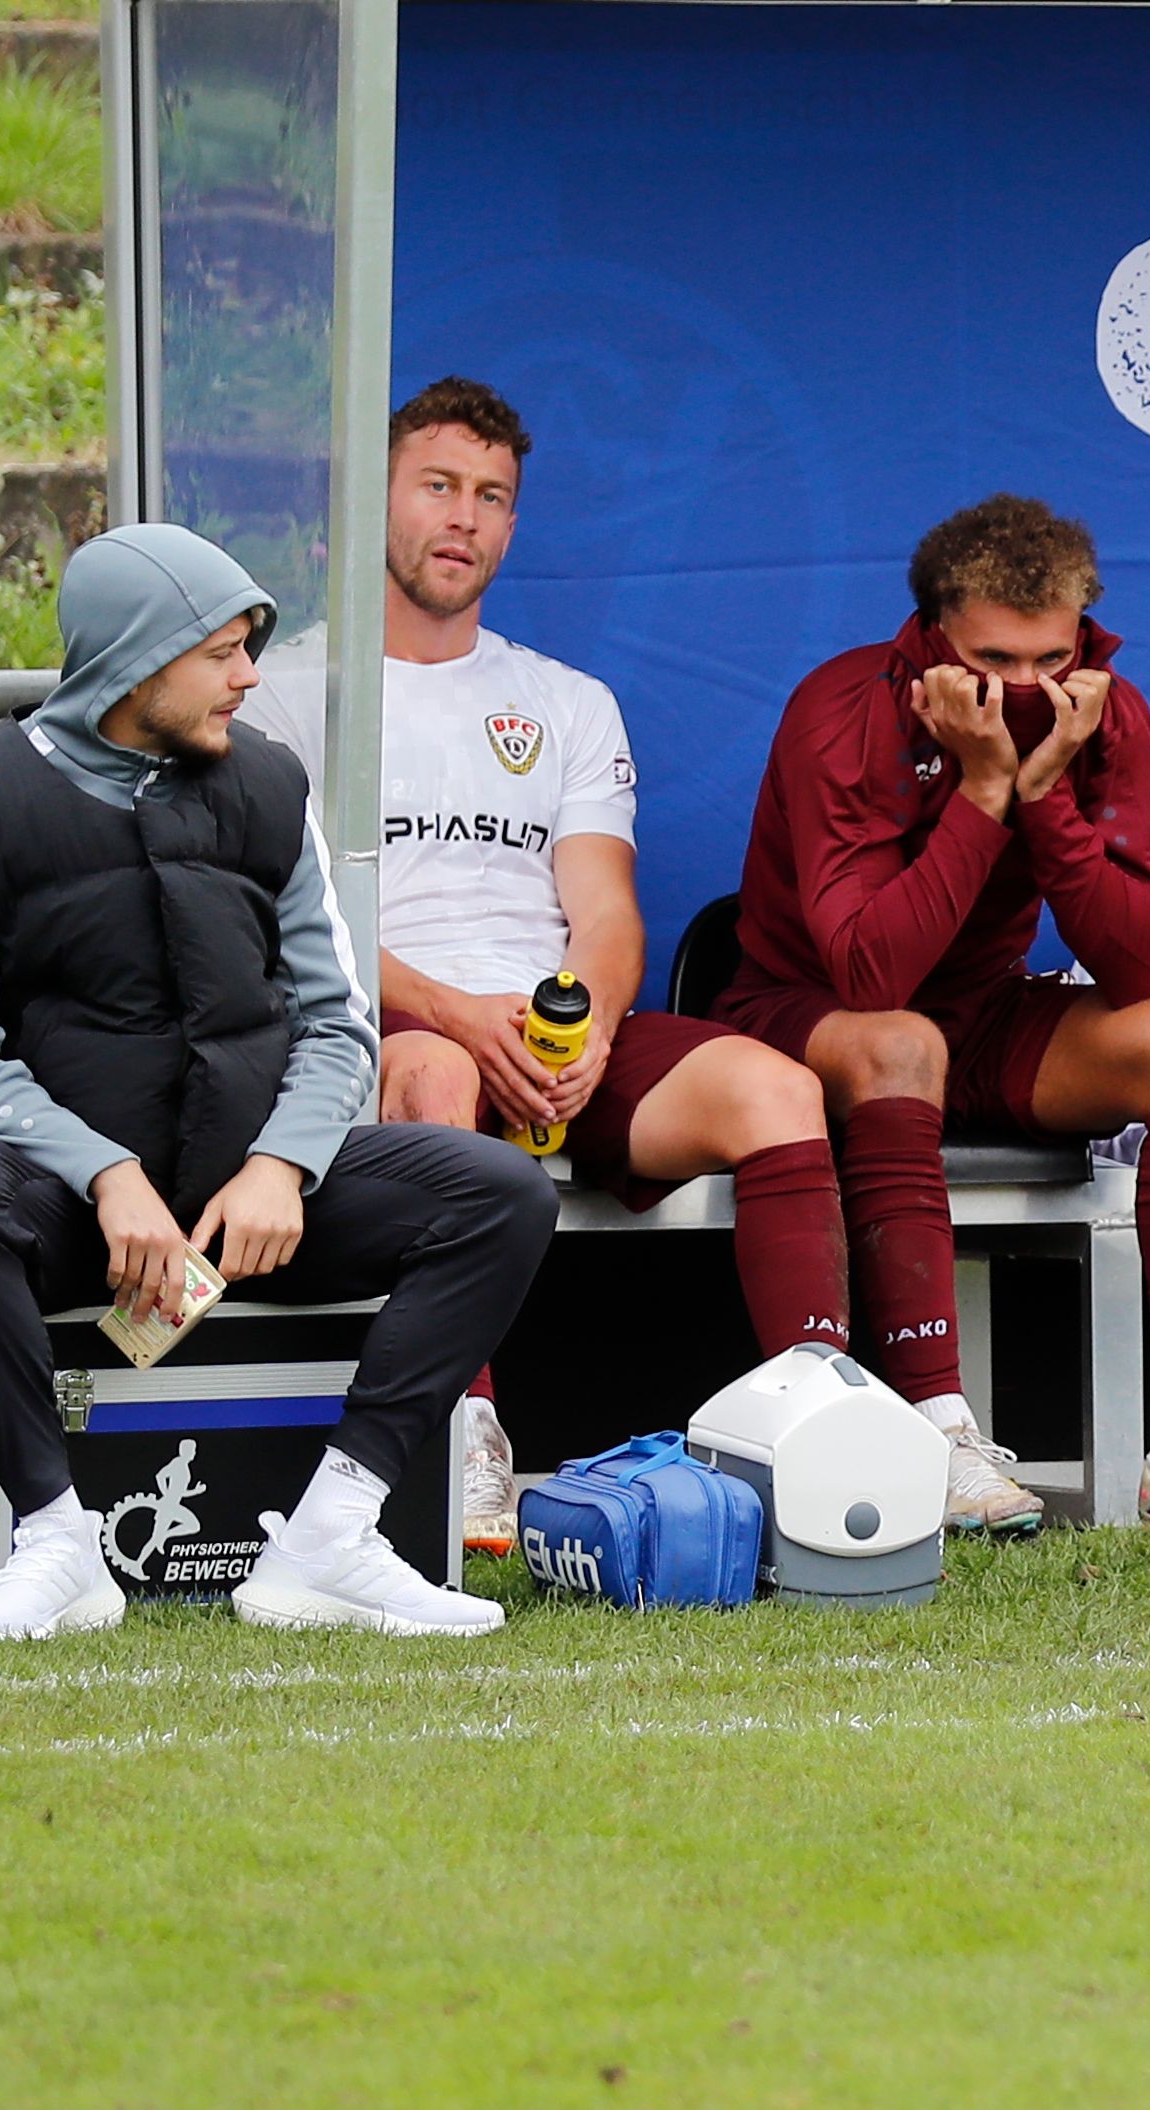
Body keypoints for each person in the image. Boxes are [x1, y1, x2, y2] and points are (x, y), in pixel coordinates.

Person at [0, 524, 555, 1641]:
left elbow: (340, 1019)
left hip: (258, 1204)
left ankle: (330, 1535)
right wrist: (103, 1173)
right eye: (223, 651)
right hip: (74, 1209)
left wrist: (282, 1165)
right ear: (132, 658)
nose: (251, 676)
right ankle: (57, 1543)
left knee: (499, 1191)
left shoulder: (270, 784)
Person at [243, 376, 853, 1553]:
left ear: (513, 524)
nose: (462, 517)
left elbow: (607, 916)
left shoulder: (565, 700)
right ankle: (463, 1437)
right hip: (392, 1025)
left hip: (548, 1030)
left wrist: (595, 1037)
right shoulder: (280, 690)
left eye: (490, 496)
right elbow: (290, 925)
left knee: (778, 1089)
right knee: (433, 1083)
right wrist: (461, 1018)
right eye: (436, 486)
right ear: (374, 504)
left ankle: (812, 1423)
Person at [718, 492, 1150, 1525]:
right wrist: (985, 791)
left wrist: (1042, 794)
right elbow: (869, 973)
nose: (1029, 687)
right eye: (995, 660)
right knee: (901, 1040)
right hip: (800, 1015)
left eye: (1053, 656)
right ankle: (938, 1438)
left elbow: (1138, 963)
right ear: (935, 637)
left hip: (979, 1019)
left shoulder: (1105, 708)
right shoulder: (843, 704)